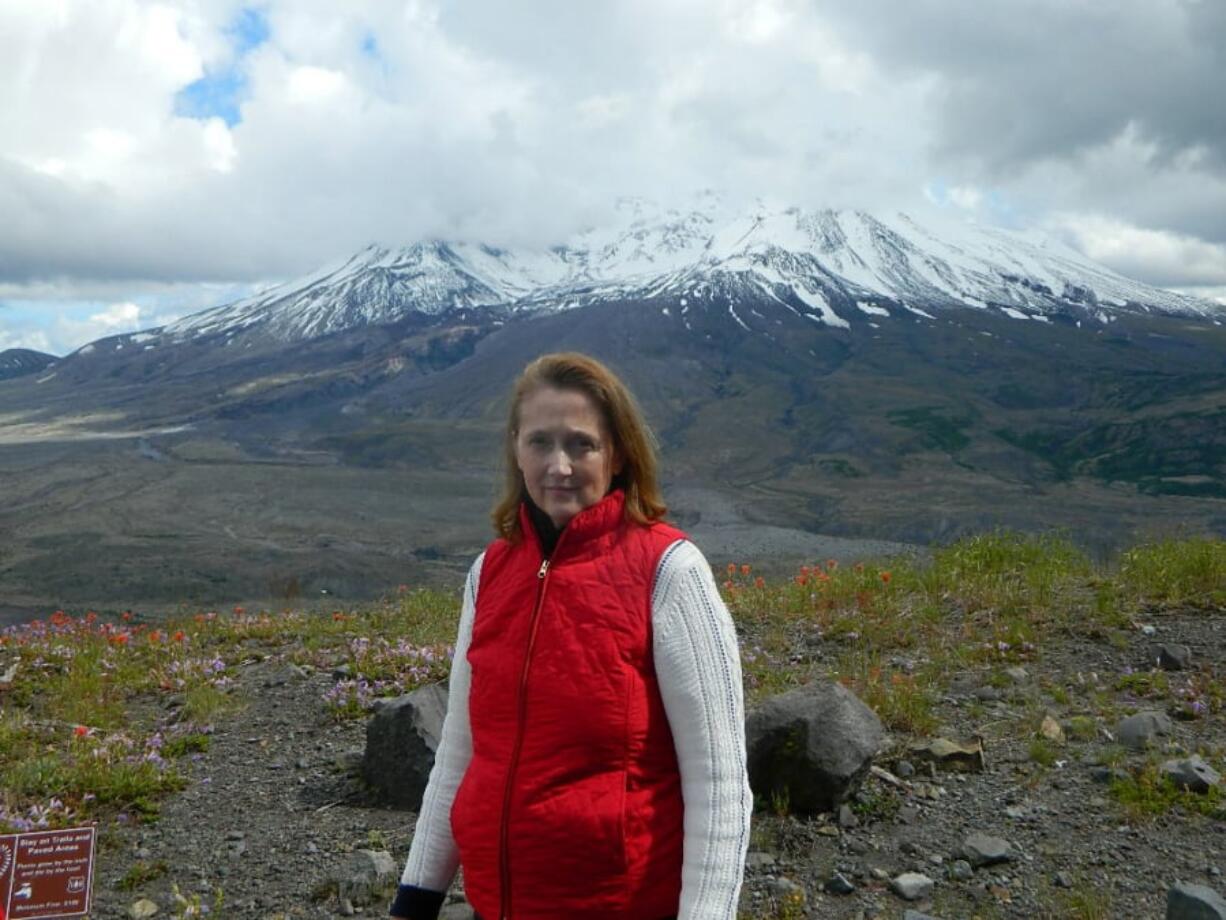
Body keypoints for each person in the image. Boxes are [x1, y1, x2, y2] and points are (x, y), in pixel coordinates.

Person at [389, 352, 751, 920]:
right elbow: (461, 753)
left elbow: (720, 782)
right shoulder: (490, 572)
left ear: (618, 452)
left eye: (581, 444)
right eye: (539, 442)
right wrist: (415, 899)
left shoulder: (669, 572)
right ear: (515, 447)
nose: (558, 465)